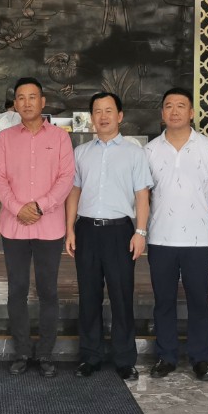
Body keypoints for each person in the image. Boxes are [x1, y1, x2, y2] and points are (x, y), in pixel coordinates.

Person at [65, 92, 152, 381]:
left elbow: (142, 195)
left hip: (120, 231)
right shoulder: (81, 153)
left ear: (120, 116)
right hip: (87, 230)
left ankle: (124, 359)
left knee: (121, 294)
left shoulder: (134, 153)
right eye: (98, 111)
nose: (103, 117)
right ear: (92, 117)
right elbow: (74, 191)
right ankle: (90, 356)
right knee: (88, 294)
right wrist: (69, 228)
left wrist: (140, 231)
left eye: (108, 111)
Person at [0, 77, 75, 377]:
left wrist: (40, 206)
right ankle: (22, 351)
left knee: (48, 291)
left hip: (49, 226)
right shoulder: (4, 138)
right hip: (13, 226)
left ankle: (46, 354)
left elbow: (66, 178)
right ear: (15, 104)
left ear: (43, 101)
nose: (27, 103)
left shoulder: (61, 138)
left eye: (32, 97)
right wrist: (17, 208)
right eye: (21, 98)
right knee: (17, 290)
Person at [144, 87, 208, 382]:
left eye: (181, 106)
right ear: (162, 113)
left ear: (191, 112)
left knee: (198, 301)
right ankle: (165, 356)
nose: (175, 111)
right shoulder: (149, 150)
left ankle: (200, 358)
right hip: (160, 238)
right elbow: (143, 193)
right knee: (163, 301)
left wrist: (197, 210)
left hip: (197, 240)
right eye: (169, 106)